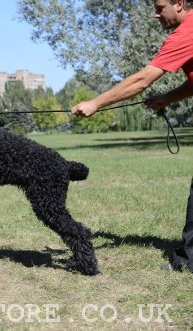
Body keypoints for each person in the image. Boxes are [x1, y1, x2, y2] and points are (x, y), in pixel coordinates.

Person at [71, 0, 193, 272]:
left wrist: (95, 104)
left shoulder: (185, 33)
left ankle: (188, 260)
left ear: (179, 4)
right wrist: (167, 98)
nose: (155, 14)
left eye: (161, 7)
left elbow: (142, 80)